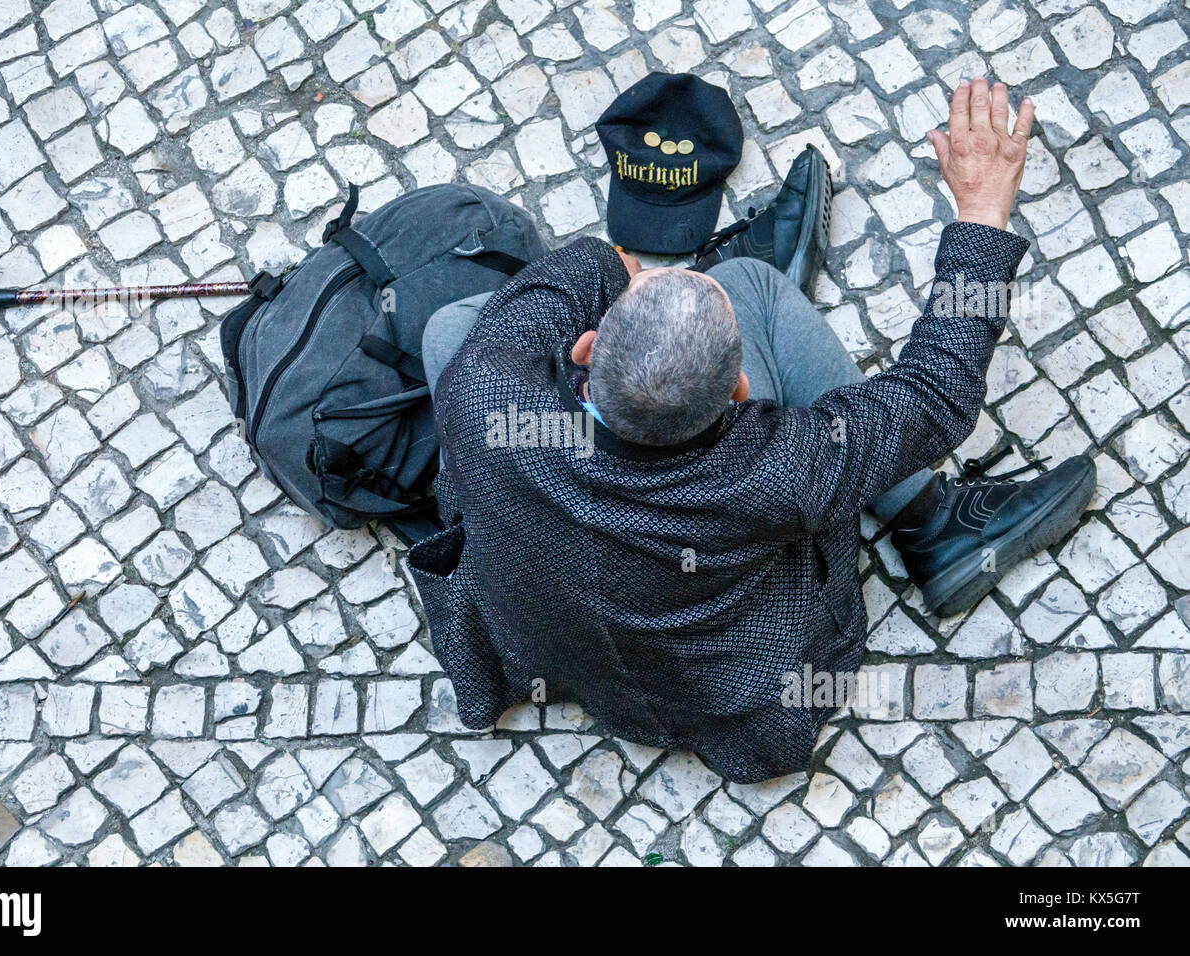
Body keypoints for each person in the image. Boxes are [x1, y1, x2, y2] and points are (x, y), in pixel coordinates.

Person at [407, 79, 1095, 782]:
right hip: (727, 702)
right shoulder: (778, 468)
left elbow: (579, 270)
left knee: (452, 329)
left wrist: (635, 288)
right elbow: (937, 390)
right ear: (742, 393)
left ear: (584, 350)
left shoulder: (485, 388)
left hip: (552, 651)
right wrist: (982, 212)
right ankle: (930, 516)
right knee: (749, 282)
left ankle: (692, 325)